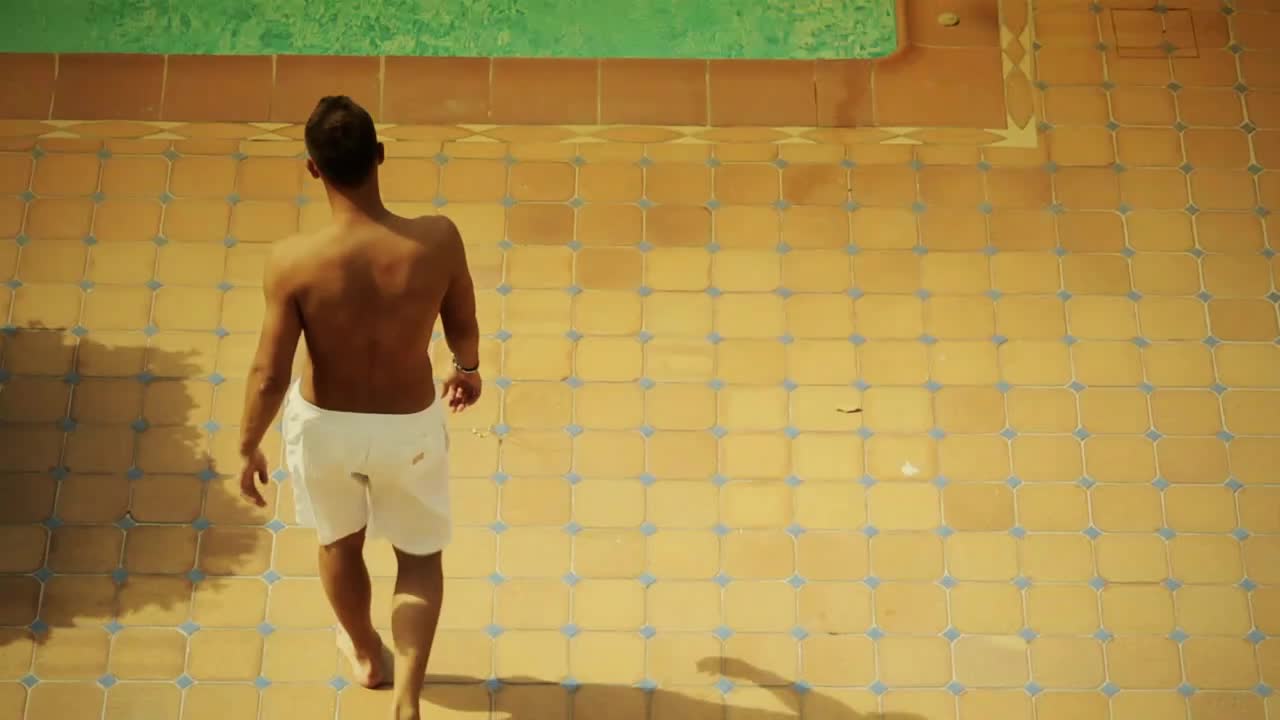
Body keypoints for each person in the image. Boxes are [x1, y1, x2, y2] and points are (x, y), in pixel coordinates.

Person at [236, 95, 481, 720]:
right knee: (419, 558)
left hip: (326, 428)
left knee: (339, 544)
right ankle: (406, 698)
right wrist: (467, 369)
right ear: (380, 155)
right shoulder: (437, 239)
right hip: (408, 426)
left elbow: (269, 373)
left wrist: (247, 444)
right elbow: (462, 323)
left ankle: (368, 655)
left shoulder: (293, 262)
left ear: (312, 168)